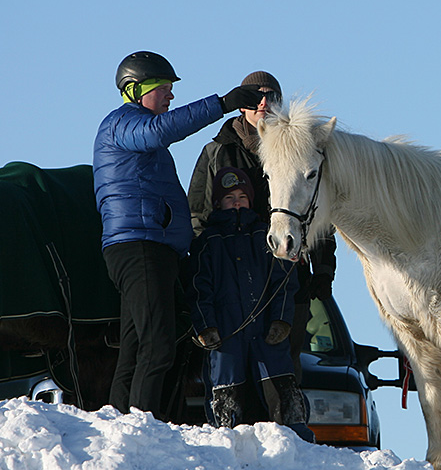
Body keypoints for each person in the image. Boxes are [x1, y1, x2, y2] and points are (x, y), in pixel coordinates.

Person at [94, 51, 265, 419]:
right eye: (164, 88)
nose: (171, 95)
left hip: (149, 248)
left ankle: (122, 423)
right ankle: (142, 424)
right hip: (140, 247)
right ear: (136, 89)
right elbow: (160, 130)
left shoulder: (135, 132)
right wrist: (222, 104)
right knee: (158, 347)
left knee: (136, 348)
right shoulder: (123, 123)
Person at [187, 71, 336, 378]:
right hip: (230, 284)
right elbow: (197, 217)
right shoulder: (217, 152)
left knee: (284, 372)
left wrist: (323, 269)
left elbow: (317, 209)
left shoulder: (301, 148)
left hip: (287, 280)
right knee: (231, 371)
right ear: (242, 105)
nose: (264, 103)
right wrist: (206, 269)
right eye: (255, 96)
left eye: (272, 97)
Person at [188, 167, 314, 442]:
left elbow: (284, 282)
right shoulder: (208, 242)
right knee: (227, 389)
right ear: (218, 203)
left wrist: (281, 320)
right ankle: (226, 440)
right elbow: (198, 289)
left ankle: (295, 440)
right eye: (229, 198)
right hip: (226, 333)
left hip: (266, 330)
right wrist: (205, 326)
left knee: (280, 386)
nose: (236, 203)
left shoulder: (264, 236)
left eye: (242, 197)